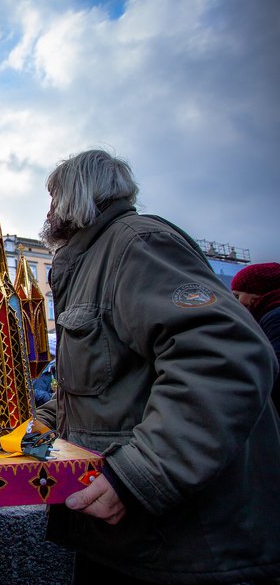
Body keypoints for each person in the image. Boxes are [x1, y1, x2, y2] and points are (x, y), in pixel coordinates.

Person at [37, 149, 280, 584]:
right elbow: (111, 383)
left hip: (180, 547)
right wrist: (41, 422)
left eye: (53, 198)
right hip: (131, 540)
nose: (49, 211)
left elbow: (224, 358)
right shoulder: (91, 260)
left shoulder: (135, 244)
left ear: (76, 196)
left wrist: (138, 477)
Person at [231, 262, 280, 411]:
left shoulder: (275, 317)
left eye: (237, 296)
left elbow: (274, 371)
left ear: (256, 292)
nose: (235, 302)